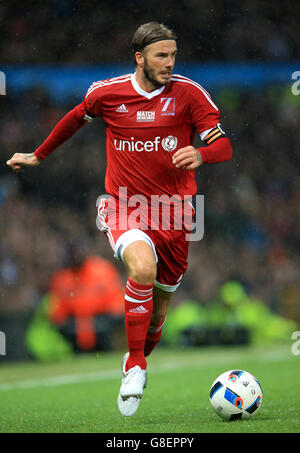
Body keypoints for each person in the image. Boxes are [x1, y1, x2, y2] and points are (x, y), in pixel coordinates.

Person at [6, 22, 233, 416]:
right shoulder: (107, 93)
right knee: (141, 268)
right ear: (139, 57)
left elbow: (224, 145)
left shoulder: (188, 94)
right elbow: (75, 119)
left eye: (173, 55)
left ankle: (137, 357)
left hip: (175, 213)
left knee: (158, 314)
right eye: (161, 55)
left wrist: (202, 154)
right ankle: (135, 364)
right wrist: (37, 155)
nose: (169, 63)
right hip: (123, 204)